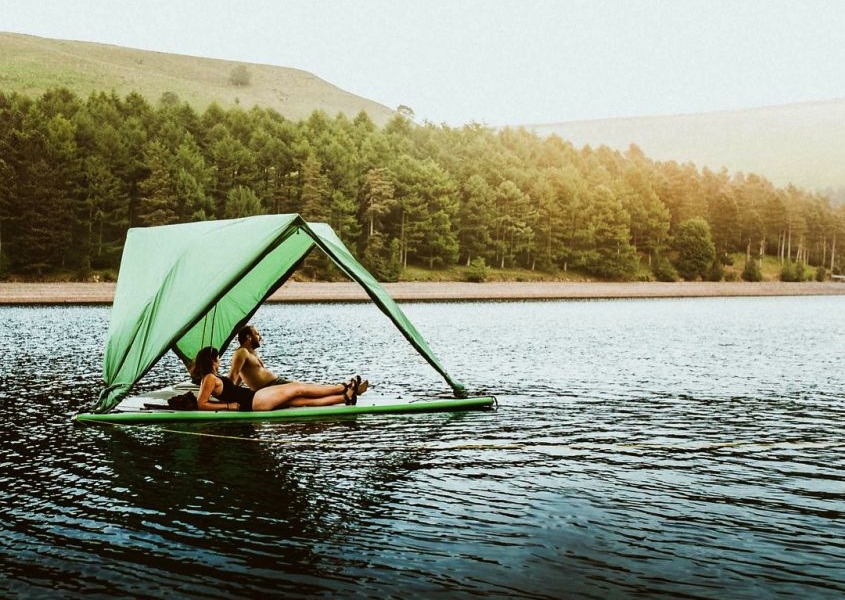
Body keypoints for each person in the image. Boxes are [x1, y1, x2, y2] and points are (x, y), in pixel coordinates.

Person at [191, 346, 368, 411]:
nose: (220, 361)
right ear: (212, 361)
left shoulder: (211, 377)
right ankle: (342, 387)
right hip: (254, 400)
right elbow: (201, 404)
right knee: (298, 388)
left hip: (255, 400)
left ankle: (344, 397)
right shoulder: (209, 378)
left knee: (299, 400)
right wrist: (228, 406)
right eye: (218, 358)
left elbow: (227, 390)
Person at [228, 325, 293, 391]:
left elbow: (240, 375)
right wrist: (227, 392)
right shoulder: (242, 352)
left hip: (275, 383)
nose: (260, 338)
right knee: (298, 387)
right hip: (270, 386)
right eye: (257, 334)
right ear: (249, 337)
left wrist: (236, 389)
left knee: (298, 386)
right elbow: (233, 374)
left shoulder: (252, 353)